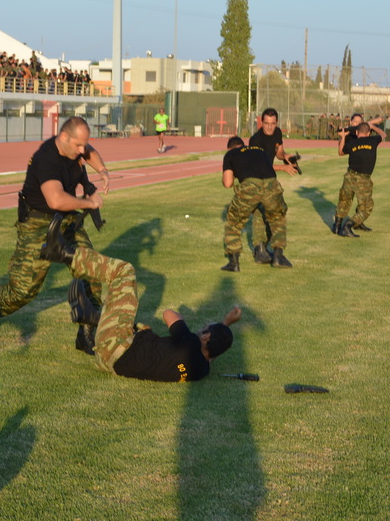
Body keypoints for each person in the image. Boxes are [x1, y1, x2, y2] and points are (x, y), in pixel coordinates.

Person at [0, 116, 110, 354]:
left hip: (67, 220)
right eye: (78, 146)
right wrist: (89, 202)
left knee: (90, 269)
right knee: (23, 290)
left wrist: (103, 171)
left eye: (85, 144)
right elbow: (56, 199)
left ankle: (86, 335)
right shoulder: (46, 159)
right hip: (38, 223)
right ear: (64, 138)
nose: (83, 151)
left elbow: (90, 151)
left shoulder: (75, 148)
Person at [39, 214, 239, 381]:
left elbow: (169, 314)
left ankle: (63, 253)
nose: (200, 329)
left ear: (205, 337)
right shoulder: (202, 370)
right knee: (142, 328)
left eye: (203, 329)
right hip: (108, 361)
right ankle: (94, 319)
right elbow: (211, 353)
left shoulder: (190, 344)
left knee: (124, 272)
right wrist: (225, 322)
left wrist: (191, 333)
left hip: (116, 343)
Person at [219, 135, 298, 271]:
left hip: (250, 185)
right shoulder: (260, 151)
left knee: (234, 220)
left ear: (229, 148)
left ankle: (234, 262)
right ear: (244, 145)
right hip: (271, 184)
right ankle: (279, 256)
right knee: (277, 218)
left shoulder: (230, 154)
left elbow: (228, 183)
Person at [247, 108, 298, 264]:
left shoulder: (277, 133)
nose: (269, 127)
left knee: (270, 214)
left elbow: (279, 152)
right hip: (256, 179)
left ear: (277, 123)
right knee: (268, 214)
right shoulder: (255, 140)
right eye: (266, 123)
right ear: (261, 122)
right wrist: (284, 168)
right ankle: (272, 253)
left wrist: (286, 157)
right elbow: (261, 164)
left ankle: (268, 252)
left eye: (273, 123)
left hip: (269, 180)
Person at [334, 120, 385, 237]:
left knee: (344, 201)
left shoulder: (352, 143)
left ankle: (337, 226)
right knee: (366, 207)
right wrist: (373, 127)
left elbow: (340, 152)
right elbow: (383, 135)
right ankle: (348, 226)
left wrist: (342, 137)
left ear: (357, 132)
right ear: (368, 133)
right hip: (363, 179)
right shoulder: (373, 140)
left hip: (349, 176)